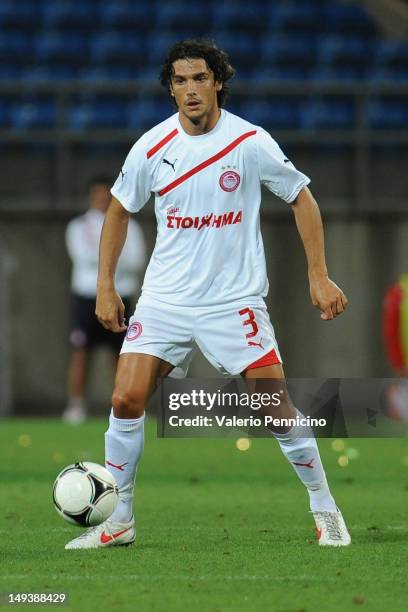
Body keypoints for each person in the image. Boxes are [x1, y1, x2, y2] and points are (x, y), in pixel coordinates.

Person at [65, 40, 350, 549]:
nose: (190, 90)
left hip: (232, 301)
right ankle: (119, 521)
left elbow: (301, 197)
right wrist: (105, 286)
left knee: (274, 408)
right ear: (170, 87)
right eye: (180, 81)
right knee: (125, 398)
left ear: (218, 81)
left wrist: (318, 274)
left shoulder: (250, 141)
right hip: (165, 300)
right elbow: (118, 209)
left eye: (199, 78)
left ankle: (325, 508)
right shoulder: (151, 147)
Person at [63, 176, 146, 424]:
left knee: (122, 354)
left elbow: (137, 260)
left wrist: (108, 267)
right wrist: (110, 267)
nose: (102, 199)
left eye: (105, 194)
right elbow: (83, 257)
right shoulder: (79, 226)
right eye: (97, 195)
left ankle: (123, 404)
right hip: (87, 296)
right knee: (81, 351)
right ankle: (76, 405)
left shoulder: (130, 224)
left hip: (123, 295)